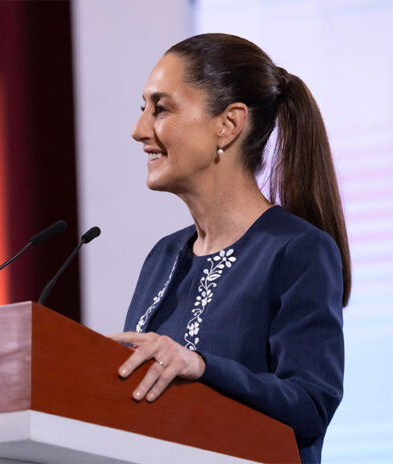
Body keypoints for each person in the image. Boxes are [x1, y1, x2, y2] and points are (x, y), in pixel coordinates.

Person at [109, 33, 350, 464]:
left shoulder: (298, 250)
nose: (139, 129)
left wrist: (202, 367)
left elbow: (311, 406)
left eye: (160, 108)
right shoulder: (163, 257)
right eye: (143, 108)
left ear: (229, 124)